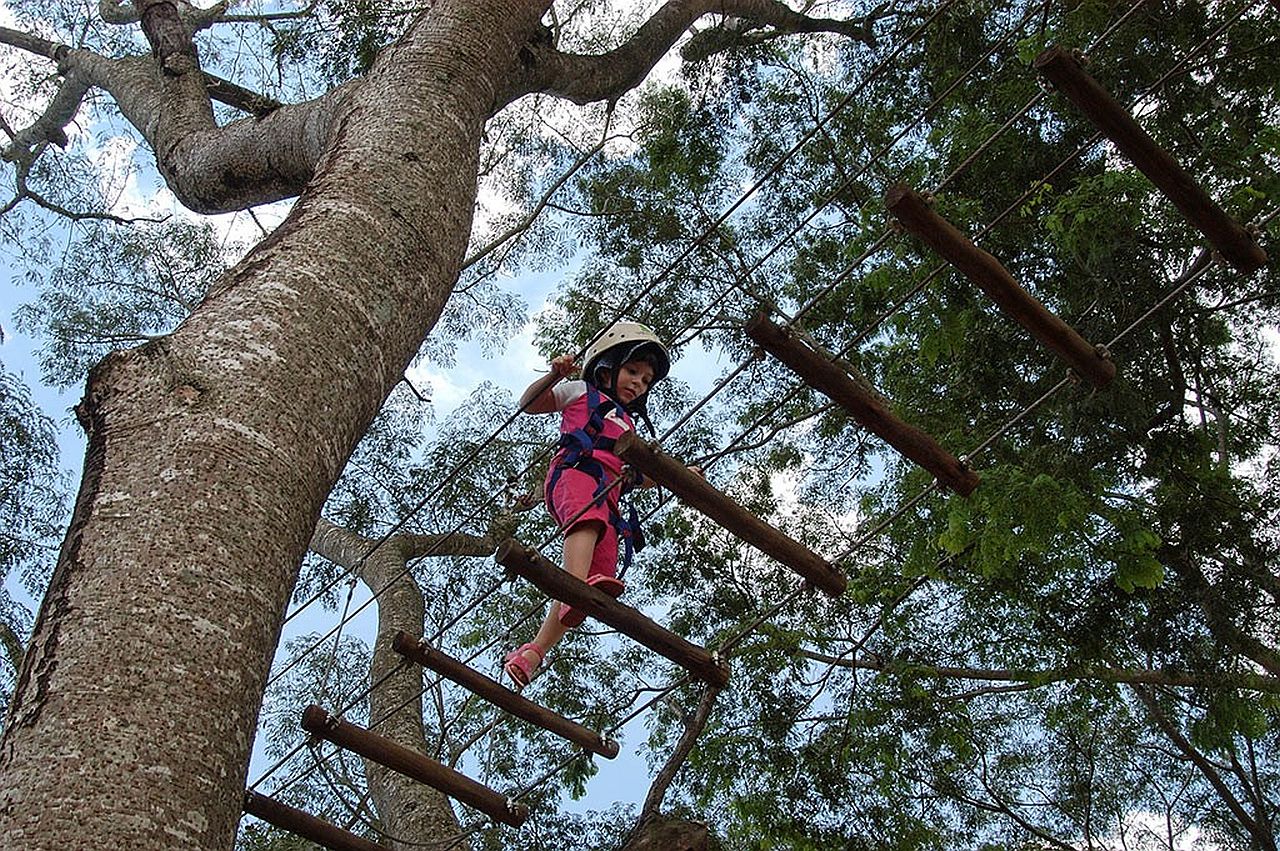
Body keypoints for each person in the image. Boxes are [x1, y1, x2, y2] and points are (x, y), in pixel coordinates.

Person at [503, 321, 671, 689]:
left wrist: (675, 474)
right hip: (575, 473)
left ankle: (534, 651)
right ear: (607, 367)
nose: (637, 383)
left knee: (602, 566)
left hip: (608, 495)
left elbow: (637, 477)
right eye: (632, 372)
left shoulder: (628, 425)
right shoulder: (581, 391)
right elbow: (530, 404)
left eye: (645, 381)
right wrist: (553, 376)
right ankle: (574, 589)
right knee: (588, 524)